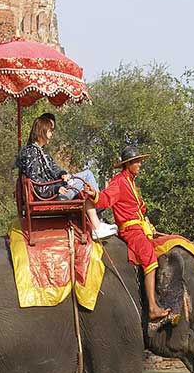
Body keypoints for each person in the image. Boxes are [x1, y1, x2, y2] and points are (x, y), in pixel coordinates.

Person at [81, 145, 171, 321]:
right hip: (130, 230)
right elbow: (106, 199)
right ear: (128, 164)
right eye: (136, 162)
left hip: (140, 228)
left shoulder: (131, 182)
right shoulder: (119, 182)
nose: (140, 164)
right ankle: (152, 307)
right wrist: (95, 195)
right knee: (149, 257)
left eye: (139, 161)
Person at [16, 113, 117, 240]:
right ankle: (97, 215)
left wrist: (62, 174)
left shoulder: (41, 151)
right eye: (50, 131)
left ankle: (96, 216)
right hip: (50, 196)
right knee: (86, 177)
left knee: (87, 174)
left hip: (54, 188)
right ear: (42, 130)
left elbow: (54, 168)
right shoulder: (31, 153)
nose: (52, 134)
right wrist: (56, 188)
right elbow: (37, 184)